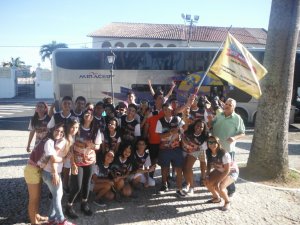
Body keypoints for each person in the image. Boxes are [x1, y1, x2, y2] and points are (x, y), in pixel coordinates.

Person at [65, 109, 102, 219]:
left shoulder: (95, 130)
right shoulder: (77, 128)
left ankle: (84, 204)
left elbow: (98, 146)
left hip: (89, 161)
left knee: (86, 184)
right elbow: (70, 146)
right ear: (83, 115)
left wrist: (92, 146)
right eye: (87, 113)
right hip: (77, 161)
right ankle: (68, 206)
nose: (88, 115)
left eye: (91, 114)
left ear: (93, 117)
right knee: (77, 186)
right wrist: (72, 163)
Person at [207, 98, 245, 196]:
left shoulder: (237, 118)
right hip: (215, 148)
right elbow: (210, 126)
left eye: (230, 105)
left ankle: (231, 189)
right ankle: (217, 186)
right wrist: (210, 121)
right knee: (218, 168)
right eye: (226, 104)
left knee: (229, 170)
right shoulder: (219, 115)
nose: (227, 106)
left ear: (233, 107)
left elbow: (242, 133)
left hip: (228, 149)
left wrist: (234, 138)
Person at [41, 123, 75, 225]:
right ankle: (61, 220)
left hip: (52, 172)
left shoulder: (57, 141)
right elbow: (53, 159)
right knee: (57, 195)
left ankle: (51, 219)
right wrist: (55, 172)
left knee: (58, 195)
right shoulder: (54, 142)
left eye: (61, 132)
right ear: (52, 130)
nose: (59, 133)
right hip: (50, 173)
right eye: (57, 131)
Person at [155, 102, 186, 197]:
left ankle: (179, 188)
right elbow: (160, 136)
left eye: (169, 109)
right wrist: (170, 133)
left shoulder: (178, 119)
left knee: (179, 168)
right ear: (163, 111)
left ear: (171, 109)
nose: (167, 111)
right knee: (164, 167)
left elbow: (184, 129)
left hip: (177, 148)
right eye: (165, 110)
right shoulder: (160, 121)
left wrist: (179, 130)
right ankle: (164, 185)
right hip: (164, 148)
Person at [204, 136, 239, 211]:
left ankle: (227, 202)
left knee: (220, 186)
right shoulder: (208, 152)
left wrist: (218, 181)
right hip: (220, 169)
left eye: (214, 142)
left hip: (231, 171)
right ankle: (216, 198)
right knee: (206, 181)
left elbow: (227, 170)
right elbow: (209, 165)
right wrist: (207, 175)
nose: (212, 144)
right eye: (210, 142)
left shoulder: (224, 154)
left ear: (218, 143)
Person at [182, 119, 209, 195]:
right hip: (185, 150)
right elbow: (183, 136)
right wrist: (186, 143)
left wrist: (192, 146)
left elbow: (201, 148)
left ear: (204, 128)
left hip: (197, 150)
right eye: (197, 125)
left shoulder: (205, 136)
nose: (199, 128)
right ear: (194, 125)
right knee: (184, 167)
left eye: (201, 127)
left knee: (189, 166)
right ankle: (187, 183)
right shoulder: (189, 131)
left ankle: (192, 187)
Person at [62, 117, 80, 194]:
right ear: (68, 126)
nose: (74, 129)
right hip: (64, 157)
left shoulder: (76, 135)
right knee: (65, 172)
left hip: (73, 156)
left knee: (72, 172)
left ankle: (69, 186)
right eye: (72, 127)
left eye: (76, 127)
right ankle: (64, 186)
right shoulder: (64, 136)